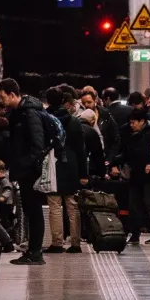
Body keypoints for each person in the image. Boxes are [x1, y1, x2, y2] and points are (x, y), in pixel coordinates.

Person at [0, 78, 49, 266]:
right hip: (26, 171)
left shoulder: (30, 114)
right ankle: (33, 251)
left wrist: (23, 165)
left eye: (2, 96)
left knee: (34, 212)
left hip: (30, 172)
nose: (0, 101)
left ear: (12, 94)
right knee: (30, 211)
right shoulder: (20, 113)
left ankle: (36, 253)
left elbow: (37, 145)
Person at [41, 88, 88, 253]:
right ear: (63, 100)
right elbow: (80, 149)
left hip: (52, 165)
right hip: (71, 165)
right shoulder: (74, 121)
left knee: (54, 205)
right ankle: (76, 243)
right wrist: (83, 173)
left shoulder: (44, 119)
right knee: (72, 205)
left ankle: (57, 243)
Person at [112, 110, 150, 244]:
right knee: (133, 205)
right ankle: (135, 233)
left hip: (149, 175)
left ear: (142, 121)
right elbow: (126, 152)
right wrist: (113, 162)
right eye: (130, 122)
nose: (131, 125)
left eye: (134, 122)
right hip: (135, 173)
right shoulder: (129, 133)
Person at [81, 89, 121, 164]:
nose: (86, 105)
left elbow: (116, 139)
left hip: (105, 158)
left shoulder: (106, 115)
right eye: (84, 103)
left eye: (89, 102)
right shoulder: (80, 118)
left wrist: (110, 159)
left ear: (95, 101)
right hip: (89, 160)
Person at [77, 108, 106, 180]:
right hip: (83, 166)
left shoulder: (73, 126)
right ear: (92, 121)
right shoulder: (91, 131)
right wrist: (102, 173)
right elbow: (97, 154)